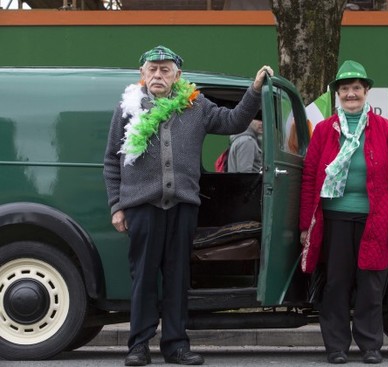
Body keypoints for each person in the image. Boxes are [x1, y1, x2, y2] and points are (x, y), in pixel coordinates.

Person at [103, 45, 273, 366]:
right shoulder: (127, 108)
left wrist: (253, 91)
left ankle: (176, 345)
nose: (158, 74)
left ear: (178, 76)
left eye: (165, 69)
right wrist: (116, 205)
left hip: (182, 207)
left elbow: (234, 121)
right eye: (152, 69)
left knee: (178, 278)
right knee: (143, 278)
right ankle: (138, 346)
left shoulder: (196, 106)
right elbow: (112, 161)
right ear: (142, 75)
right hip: (142, 207)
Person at [299, 60, 388, 364]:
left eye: (356, 88)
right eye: (345, 88)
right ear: (338, 94)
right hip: (333, 219)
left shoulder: (386, 130)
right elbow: (310, 178)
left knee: (371, 286)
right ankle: (336, 347)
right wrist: (305, 225)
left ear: (366, 92)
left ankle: (370, 346)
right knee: (335, 284)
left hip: (374, 220)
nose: (351, 94)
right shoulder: (323, 130)